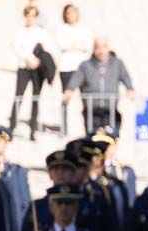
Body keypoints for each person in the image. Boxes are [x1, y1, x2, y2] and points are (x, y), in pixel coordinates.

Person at [63, 37, 135, 135]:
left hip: (110, 110)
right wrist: (69, 90)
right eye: (98, 48)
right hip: (92, 111)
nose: (101, 51)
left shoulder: (117, 64)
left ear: (108, 48)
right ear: (94, 49)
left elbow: (125, 77)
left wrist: (130, 88)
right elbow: (77, 78)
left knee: (110, 139)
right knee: (93, 140)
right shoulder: (85, 65)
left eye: (104, 47)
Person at [11, 5, 53, 141]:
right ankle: (11, 129)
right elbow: (17, 48)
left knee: (35, 99)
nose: (30, 18)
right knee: (19, 97)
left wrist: (36, 61)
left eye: (33, 15)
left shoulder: (41, 32)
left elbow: (45, 49)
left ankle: (33, 130)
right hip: (24, 67)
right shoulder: (20, 31)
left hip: (37, 69)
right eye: (28, 15)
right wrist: (27, 58)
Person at [56, 4, 92, 134]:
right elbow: (63, 44)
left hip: (81, 68)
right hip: (66, 67)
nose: (70, 15)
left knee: (85, 99)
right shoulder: (61, 29)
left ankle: (88, 129)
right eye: (68, 13)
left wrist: (73, 45)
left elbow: (86, 45)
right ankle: (64, 128)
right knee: (66, 98)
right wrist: (76, 45)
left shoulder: (84, 29)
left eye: (73, 12)